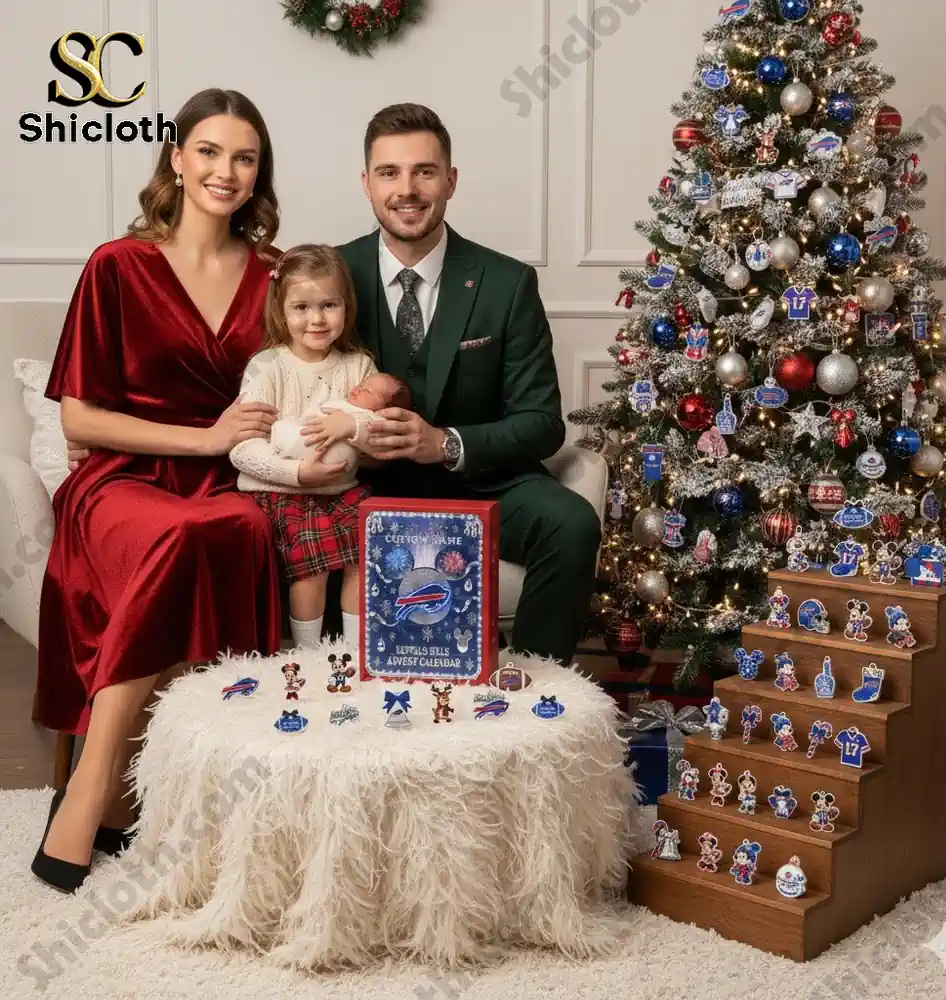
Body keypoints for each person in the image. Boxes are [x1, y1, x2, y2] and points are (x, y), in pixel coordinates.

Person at [31, 88, 291, 894]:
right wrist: (204, 436)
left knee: (242, 530)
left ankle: (142, 792)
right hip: (120, 480)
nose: (225, 171)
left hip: (230, 480)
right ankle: (96, 782)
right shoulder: (120, 264)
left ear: (259, 174)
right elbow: (80, 415)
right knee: (178, 535)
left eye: (243, 157)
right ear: (175, 159)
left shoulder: (279, 276)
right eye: (208, 152)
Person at [336, 103, 602, 666]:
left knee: (572, 522)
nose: (406, 189)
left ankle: (537, 694)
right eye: (389, 173)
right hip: (357, 487)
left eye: (424, 171)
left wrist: (446, 444)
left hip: (478, 484)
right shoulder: (330, 274)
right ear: (366, 183)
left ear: (451, 180)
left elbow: (542, 422)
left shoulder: (506, 282)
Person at [229, 244, 408, 649]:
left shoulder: (358, 366)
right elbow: (241, 448)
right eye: (302, 308)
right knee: (312, 566)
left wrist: (353, 426)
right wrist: (297, 473)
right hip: (285, 493)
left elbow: (382, 438)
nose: (317, 319)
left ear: (346, 307)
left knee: (370, 551)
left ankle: (355, 650)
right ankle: (309, 654)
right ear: (281, 310)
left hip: (342, 490)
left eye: (329, 305)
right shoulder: (268, 367)